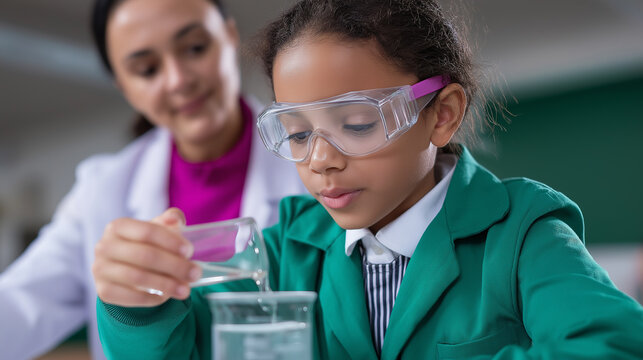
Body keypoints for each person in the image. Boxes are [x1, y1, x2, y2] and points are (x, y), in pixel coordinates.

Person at [93, 0, 643, 359]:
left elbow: (611, 347)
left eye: (356, 123)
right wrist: (135, 301)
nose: (319, 161)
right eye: (298, 132)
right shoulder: (285, 248)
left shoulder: (521, 232)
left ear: (442, 114)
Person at [0, 0, 306, 359]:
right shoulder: (101, 190)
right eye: (146, 69)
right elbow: (19, 305)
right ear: (124, 86)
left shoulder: (314, 156)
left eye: (195, 47)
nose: (178, 79)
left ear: (230, 36)